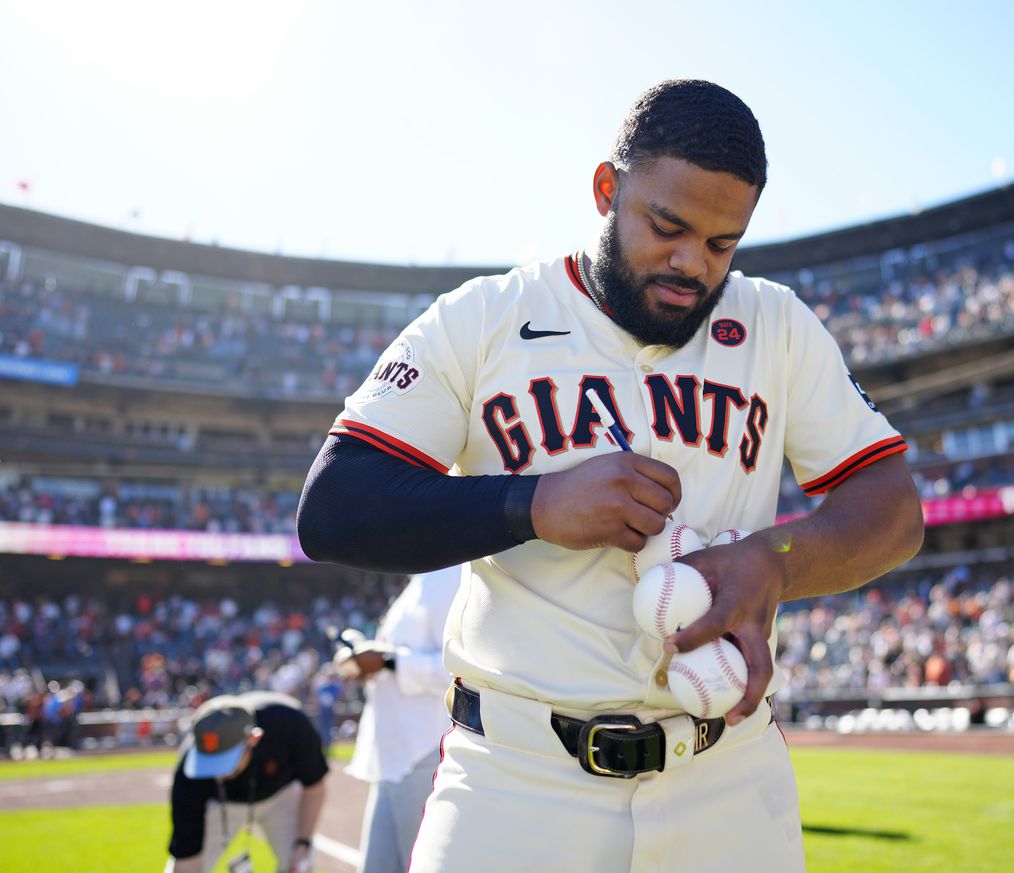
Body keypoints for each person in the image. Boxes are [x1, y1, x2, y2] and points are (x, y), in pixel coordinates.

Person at [297, 78, 924, 872]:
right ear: (607, 189)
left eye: (723, 243)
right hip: (516, 779)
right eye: (668, 226)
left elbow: (893, 506)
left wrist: (775, 561)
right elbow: (334, 505)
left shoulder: (775, 325)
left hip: (726, 773)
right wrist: (534, 502)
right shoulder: (484, 316)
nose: (693, 262)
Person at [335, 566, 460, 873]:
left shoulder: (454, 573)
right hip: (395, 752)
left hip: (426, 748)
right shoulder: (424, 576)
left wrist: (388, 661)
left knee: (420, 866)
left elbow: (459, 669)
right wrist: (366, 661)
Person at [165, 691, 328, 873]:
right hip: (219, 803)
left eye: (225, 761)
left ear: (253, 739)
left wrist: (302, 842)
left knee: (303, 866)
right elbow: (186, 854)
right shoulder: (189, 772)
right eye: (209, 762)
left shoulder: (290, 723)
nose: (217, 773)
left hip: (281, 795)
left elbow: (314, 786)